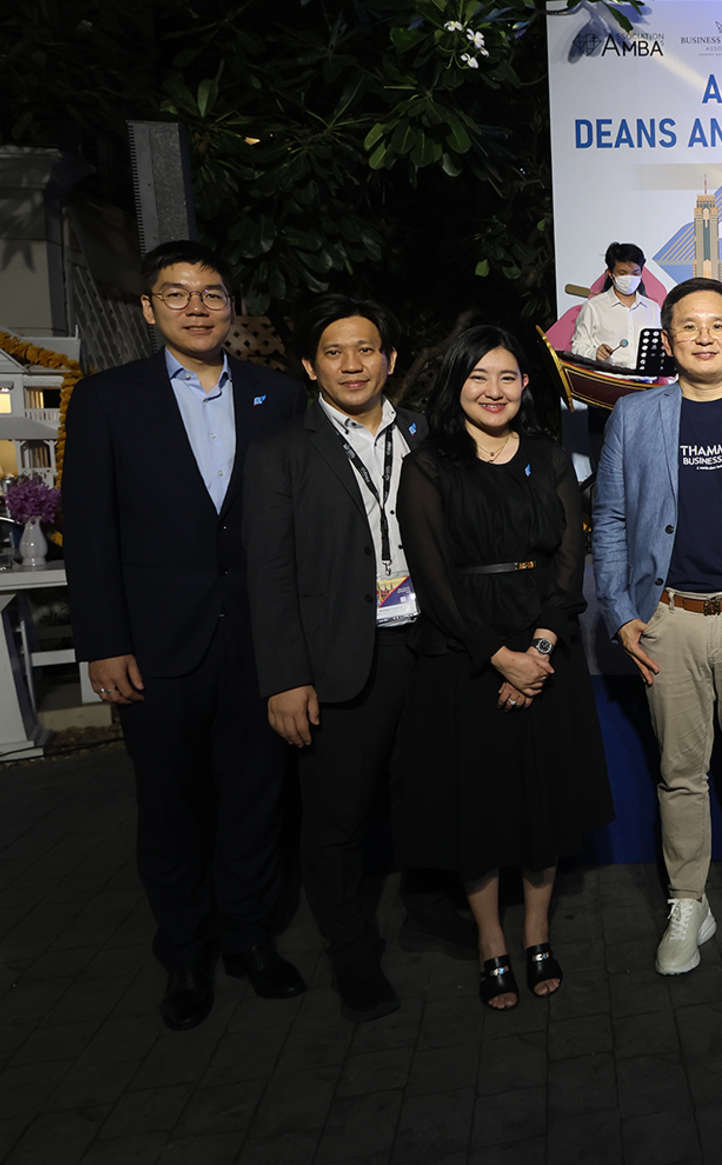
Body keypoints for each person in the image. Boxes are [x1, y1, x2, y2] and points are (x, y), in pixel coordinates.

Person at [66, 239, 305, 1031]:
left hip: (260, 642)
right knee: (170, 808)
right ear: (148, 307)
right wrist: (103, 640)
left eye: (211, 293)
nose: (196, 307)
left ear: (232, 306)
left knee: (255, 798)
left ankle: (250, 938)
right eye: (177, 294)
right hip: (156, 646)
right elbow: (90, 530)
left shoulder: (279, 395)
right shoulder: (106, 400)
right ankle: (187, 953)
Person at [244, 292, 473, 1023]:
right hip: (341, 657)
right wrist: (285, 676)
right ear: (310, 365)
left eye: (366, 348)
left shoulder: (426, 437)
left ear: (391, 360)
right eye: (335, 351)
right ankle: (351, 952)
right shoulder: (280, 453)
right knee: (337, 819)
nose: (353, 363)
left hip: (427, 646)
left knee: (429, 791)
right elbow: (269, 573)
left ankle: (429, 907)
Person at [392, 326, 614, 1009]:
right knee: (479, 804)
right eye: (479, 376)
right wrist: (500, 658)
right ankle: (491, 941)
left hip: (547, 642)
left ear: (526, 385)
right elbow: (435, 580)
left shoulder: (549, 455)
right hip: (467, 651)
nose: (494, 390)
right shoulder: (428, 464)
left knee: (542, 799)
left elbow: (570, 559)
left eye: (508, 377)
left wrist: (540, 651)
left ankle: (539, 934)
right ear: (456, 383)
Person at [591, 277, 722, 975]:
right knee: (679, 773)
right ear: (669, 337)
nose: (705, 336)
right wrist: (623, 611)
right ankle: (688, 899)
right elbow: (613, 519)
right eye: (689, 326)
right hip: (668, 621)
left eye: (719, 325)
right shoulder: (634, 415)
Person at [569, 242, 662, 365]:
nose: (629, 278)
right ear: (610, 273)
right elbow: (577, 348)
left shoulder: (653, 308)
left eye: (635, 273)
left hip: (645, 382)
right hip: (609, 380)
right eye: (622, 273)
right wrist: (594, 353)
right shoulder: (594, 307)